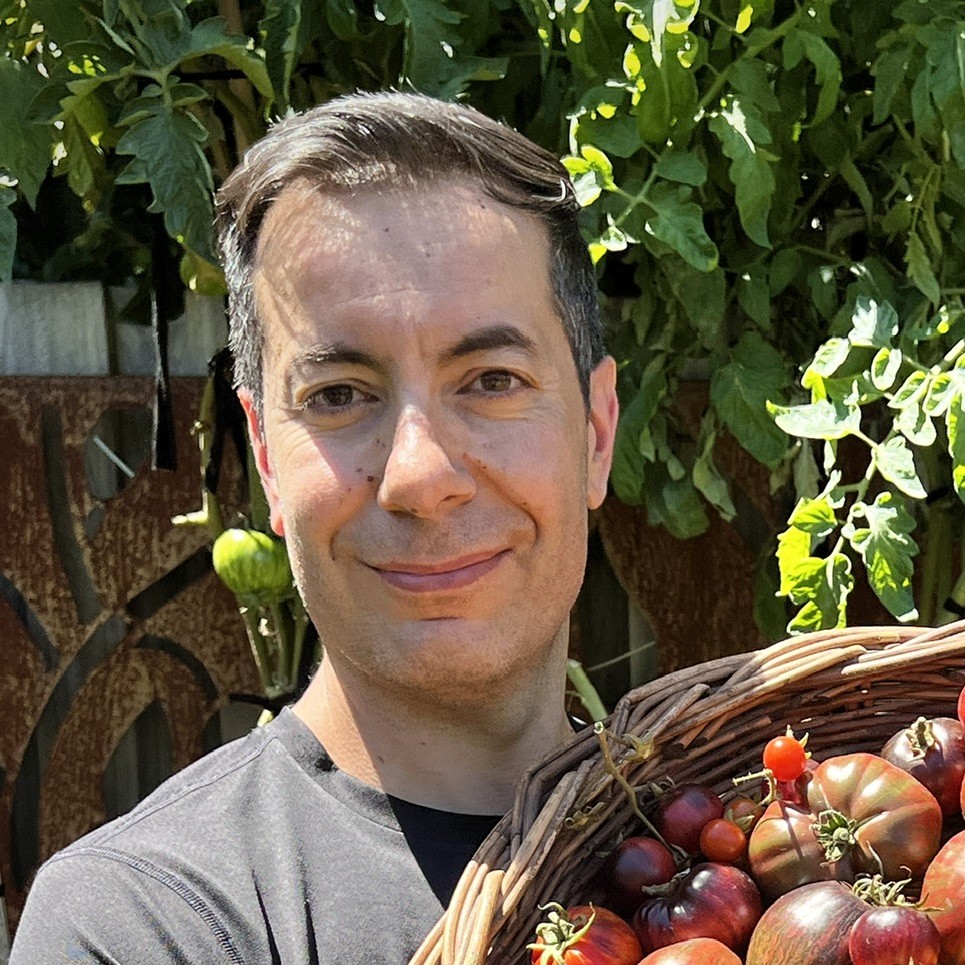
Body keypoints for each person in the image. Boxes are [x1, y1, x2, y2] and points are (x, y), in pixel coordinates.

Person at [10, 91, 619, 963]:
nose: (420, 477)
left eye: (490, 379)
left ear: (594, 435)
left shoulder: (741, 833)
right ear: (264, 456)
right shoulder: (145, 926)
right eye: (339, 396)